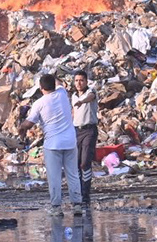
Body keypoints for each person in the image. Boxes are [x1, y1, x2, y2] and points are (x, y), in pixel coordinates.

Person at [19, 73, 83, 216]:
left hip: (53, 145)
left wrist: (21, 129)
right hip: (70, 142)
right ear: (54, 85)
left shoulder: (39, 103)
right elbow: (60, 82)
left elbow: (28, 124)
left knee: (54, 177)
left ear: (41, 88)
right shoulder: (62, 93)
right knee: (72, 174)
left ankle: (56, 207)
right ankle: (77, 205)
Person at [71, 70, 98, 209]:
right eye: (76, 80)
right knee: (75, 164)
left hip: (89, 130)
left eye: (81, 80)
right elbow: (73, 114)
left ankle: (86, 195)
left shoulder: (90, 92)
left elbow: (91, 97)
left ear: (86, 81)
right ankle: (78, 193)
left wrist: (82, 101)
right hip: (76, 131)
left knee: (85, 163)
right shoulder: (74, 96)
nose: (79, 83)